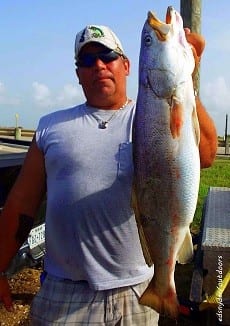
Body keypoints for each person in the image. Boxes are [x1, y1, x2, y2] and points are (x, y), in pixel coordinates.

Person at [0, 25, 217, 325]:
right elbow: (21, 205)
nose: (98, 66)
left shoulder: (151, 112)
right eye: (87, 61)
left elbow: (205, 154)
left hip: (136, 290)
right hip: (63, 293)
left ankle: (163, 285)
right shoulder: (51, 127)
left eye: (107, 56)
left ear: (126, 65)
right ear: (78, 74)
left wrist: (188, 71)